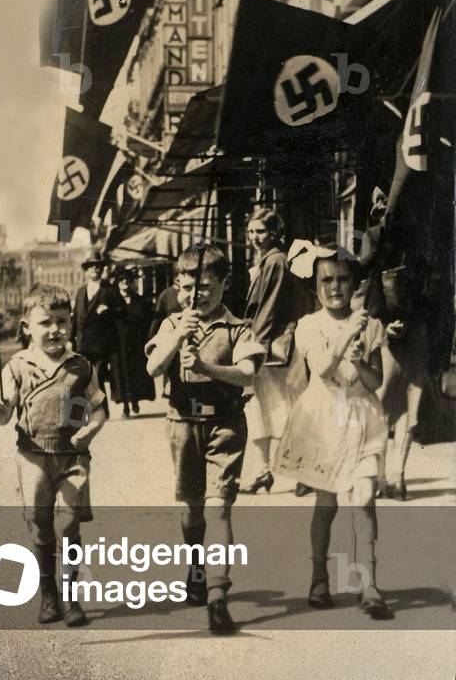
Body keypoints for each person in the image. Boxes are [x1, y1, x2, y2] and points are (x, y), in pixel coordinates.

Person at [145, 243, 266, 632]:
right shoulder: (170, 324)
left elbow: (248, 374)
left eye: (204, 288)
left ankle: (218, 595)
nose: (193, 296)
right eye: (185, 288)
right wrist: (177, 337)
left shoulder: (238, 328)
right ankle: (197, 566)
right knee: (192, 509)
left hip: (226, 425)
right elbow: (152, 368)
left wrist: (205, 366)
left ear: (224, 285)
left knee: (219, 508)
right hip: (182, 422)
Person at [274, 249, 391, 619]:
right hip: (325, 419)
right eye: (326, 280)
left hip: (361, 417)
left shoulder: (370, 325)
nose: (335, 287)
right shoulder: (309, 325)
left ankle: (368, 582)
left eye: (342, 279)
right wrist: (345, 340)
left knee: (365, 499)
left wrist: (359, 358)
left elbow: (375, 380)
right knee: (327, 504)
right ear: (316, 287)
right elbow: (322, 369)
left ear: (354, 283)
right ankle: (319, 576)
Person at [0, 283, 106, 627]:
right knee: (42, 530)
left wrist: (90, 430)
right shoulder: (17, 366)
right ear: (27, 326)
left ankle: (72, 599)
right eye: (45, 322)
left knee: (69, 525)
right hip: (33, 458)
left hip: (72, 458)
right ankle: (49, 595)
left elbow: (100, 409)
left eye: (62, 321)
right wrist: (1, 410)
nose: (55, 329)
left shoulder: (80, 366)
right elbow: (3, 414)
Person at [240, 208, 304, 495]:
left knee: (282, 410)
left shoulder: (276, 261)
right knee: (259, 410)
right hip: (264, 345)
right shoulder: (266, 261)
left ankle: (302, 468)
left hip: (269, 348)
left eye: (261, 232)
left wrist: (255, 349)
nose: (255, 237)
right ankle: (262, 470)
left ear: (274, 232)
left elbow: (268, 309)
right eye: (251, 232)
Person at [377, 266, 430, 500]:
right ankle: (393, 479)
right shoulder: (430, 237)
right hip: (413, 326)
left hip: (399, 327)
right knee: (403, 404)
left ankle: (386, 479)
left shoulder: (376, 236)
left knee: (385, 405)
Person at [70, 249, 122, 417]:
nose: (95, 270)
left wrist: (109, 310)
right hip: (83, 344)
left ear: (102, 269)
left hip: (102, 344)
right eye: (92, 267)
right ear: (86, 271)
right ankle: (91, 410)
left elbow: (123, 311)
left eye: (98, 266)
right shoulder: (80, 292)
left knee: (98, 377)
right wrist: (71, 339)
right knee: (85, 378)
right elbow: (76, 317)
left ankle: (102, 412)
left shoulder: (110, 290)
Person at [108, 268, 155, 417]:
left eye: (127, 280)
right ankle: (126, 405)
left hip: (136, 343)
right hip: (118, 344)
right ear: (117, 282)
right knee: (121, 373)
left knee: (135, 372)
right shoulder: (112, 300)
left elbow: (145, 319)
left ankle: (134, 399)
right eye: (121, 280)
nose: (125, 282)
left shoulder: (138, 299)